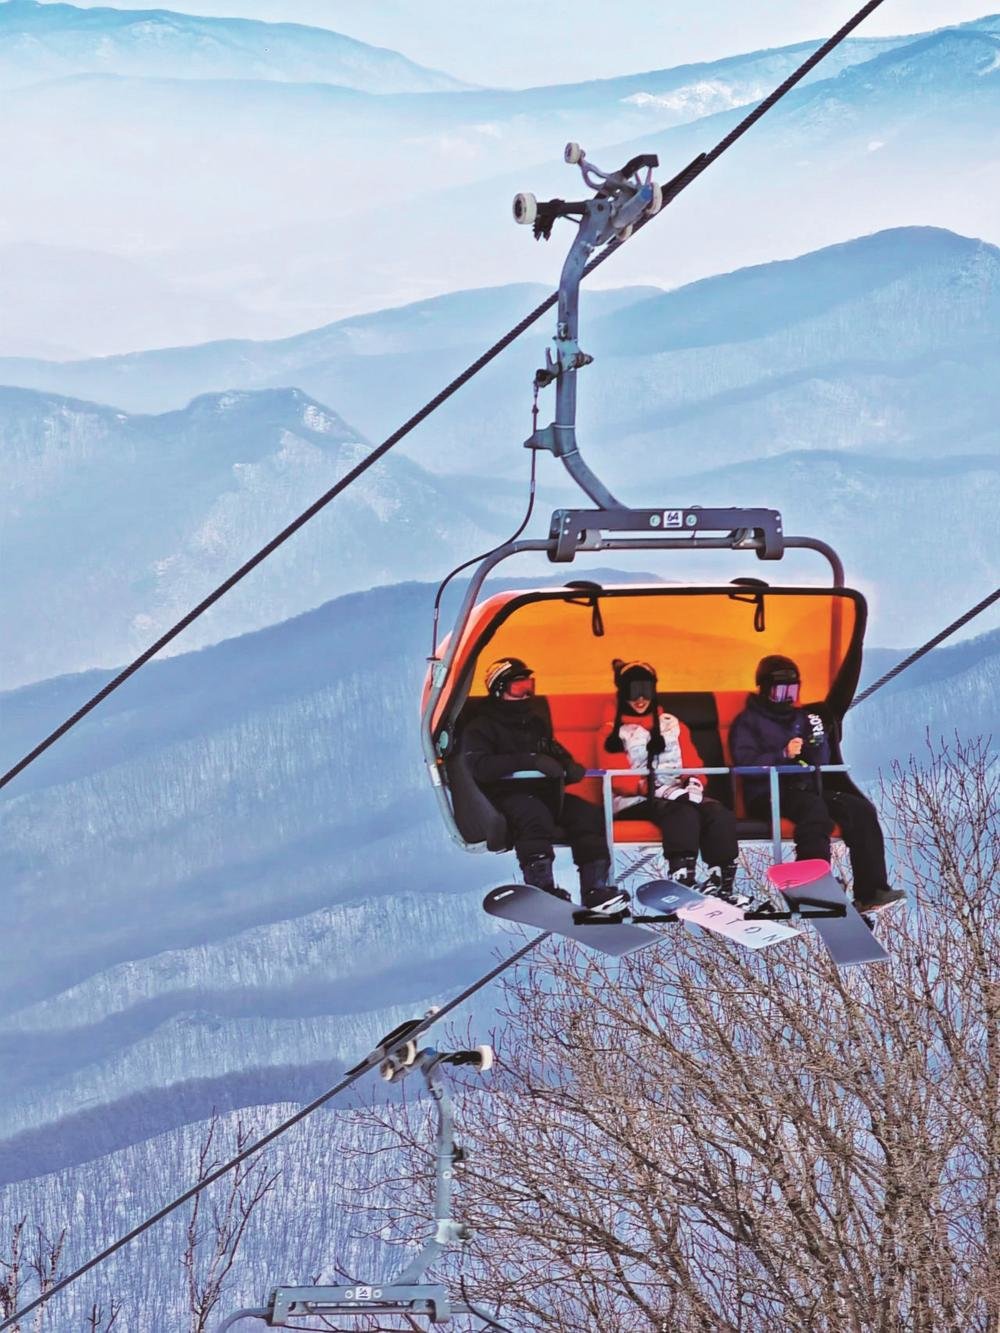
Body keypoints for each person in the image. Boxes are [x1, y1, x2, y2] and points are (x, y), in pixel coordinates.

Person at [728, 655, 905, 914]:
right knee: (814, 812)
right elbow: (745, 762)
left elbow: (820, 761)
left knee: (859, 810)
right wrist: (782, 754)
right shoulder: (749, 722)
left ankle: (871, 890)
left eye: (792, 690)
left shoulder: (802, 718)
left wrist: (818, 742)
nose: (787, 697)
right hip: (769, 793)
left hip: (808, 787)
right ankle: (812, 879)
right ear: (765, 690)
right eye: (780, 692)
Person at [463, 658, 626, 914]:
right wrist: (530, 761)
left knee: (588, 816)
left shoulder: (534, 722)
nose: (527, 692)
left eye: (530, 685)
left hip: (547, 794)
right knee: (533, 816)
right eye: (519, 687)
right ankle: (542, 887)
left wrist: (568, 766)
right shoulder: (481, 727)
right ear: (500, 689)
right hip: (506, 796)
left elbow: (551, 750)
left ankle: (596, 889)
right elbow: (481, 767)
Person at [603, 659, 745, 904]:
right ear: (622, 693)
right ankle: (682, 874)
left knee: (716, 811)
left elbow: (694, 763)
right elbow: (615, 776)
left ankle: (722, 880)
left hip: (678, 792)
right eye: (632, 692)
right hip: (634, 798)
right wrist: (655, 789)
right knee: (682, 813)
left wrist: (693, 782)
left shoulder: (672, 724)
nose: (640, 699)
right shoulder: (612, 730)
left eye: (645, 691)